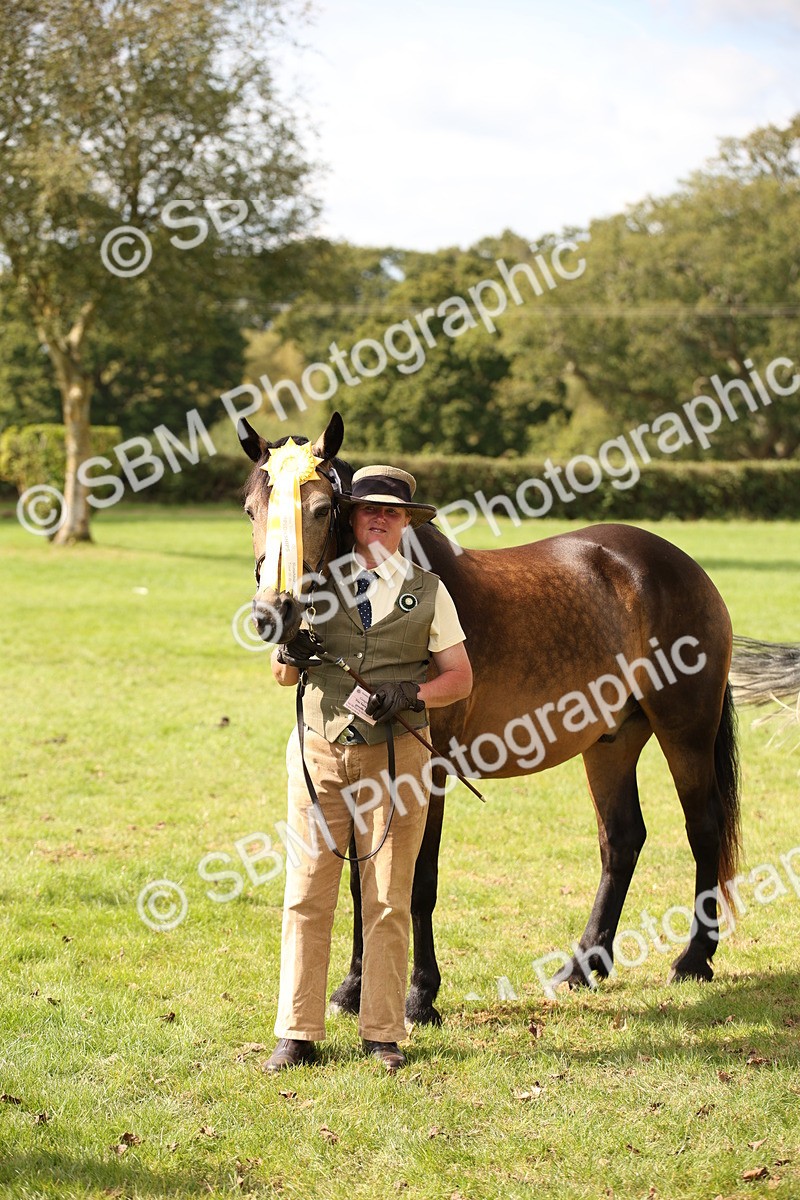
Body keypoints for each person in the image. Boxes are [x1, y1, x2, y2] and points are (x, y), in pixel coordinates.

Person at [265, 465, 473, 1073]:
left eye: (392, 512)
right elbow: (281, 676)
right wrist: (288, 652)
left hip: (399, 761)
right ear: (352, 518)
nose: (379, 518)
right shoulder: (312, 585)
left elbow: (460, 678)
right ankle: (297, 1031)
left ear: (407, 522)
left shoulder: (429, 592)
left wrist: (412, 692)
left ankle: (383, 1031)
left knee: (388, 897)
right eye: (368, 510)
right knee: (307, 892)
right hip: (319, 753)